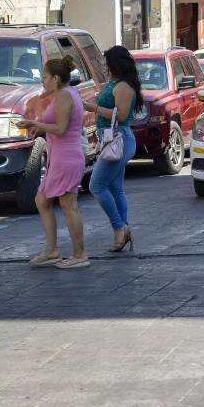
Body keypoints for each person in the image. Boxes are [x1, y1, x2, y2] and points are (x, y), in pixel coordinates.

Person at [22, 59, 89, 269]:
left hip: (66, 157)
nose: (42, 81)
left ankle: (80, 254)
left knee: (69, 205)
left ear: (56, 78)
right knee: (42, 200)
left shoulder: (65, 96)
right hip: (60, 156)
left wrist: (35, 123)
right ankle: (51, 250)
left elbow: (60, 129)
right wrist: (39, 128)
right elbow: (59, 126)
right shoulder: (66, 94)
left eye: (44, 77)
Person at [81, 46, 141, 253]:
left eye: (107, 63)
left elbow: (122, 115)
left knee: (96, 185)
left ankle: (119, 227)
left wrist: (94, 108)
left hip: (118, 139)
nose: (104, 66)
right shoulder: (117, 83)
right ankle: (124, 230)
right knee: (115, 188)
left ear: (115, 64)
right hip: (113, 139)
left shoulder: (124, 86)